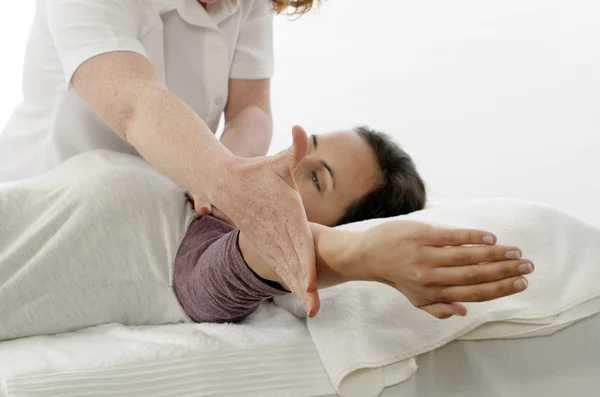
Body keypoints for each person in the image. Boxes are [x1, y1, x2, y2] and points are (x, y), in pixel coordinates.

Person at [0, 126, 533, 341]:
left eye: (315, 177)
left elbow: (246, 265)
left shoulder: (204, 255)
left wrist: (361, 254)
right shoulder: (200, 183)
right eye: (308, 147)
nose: (288, 161)